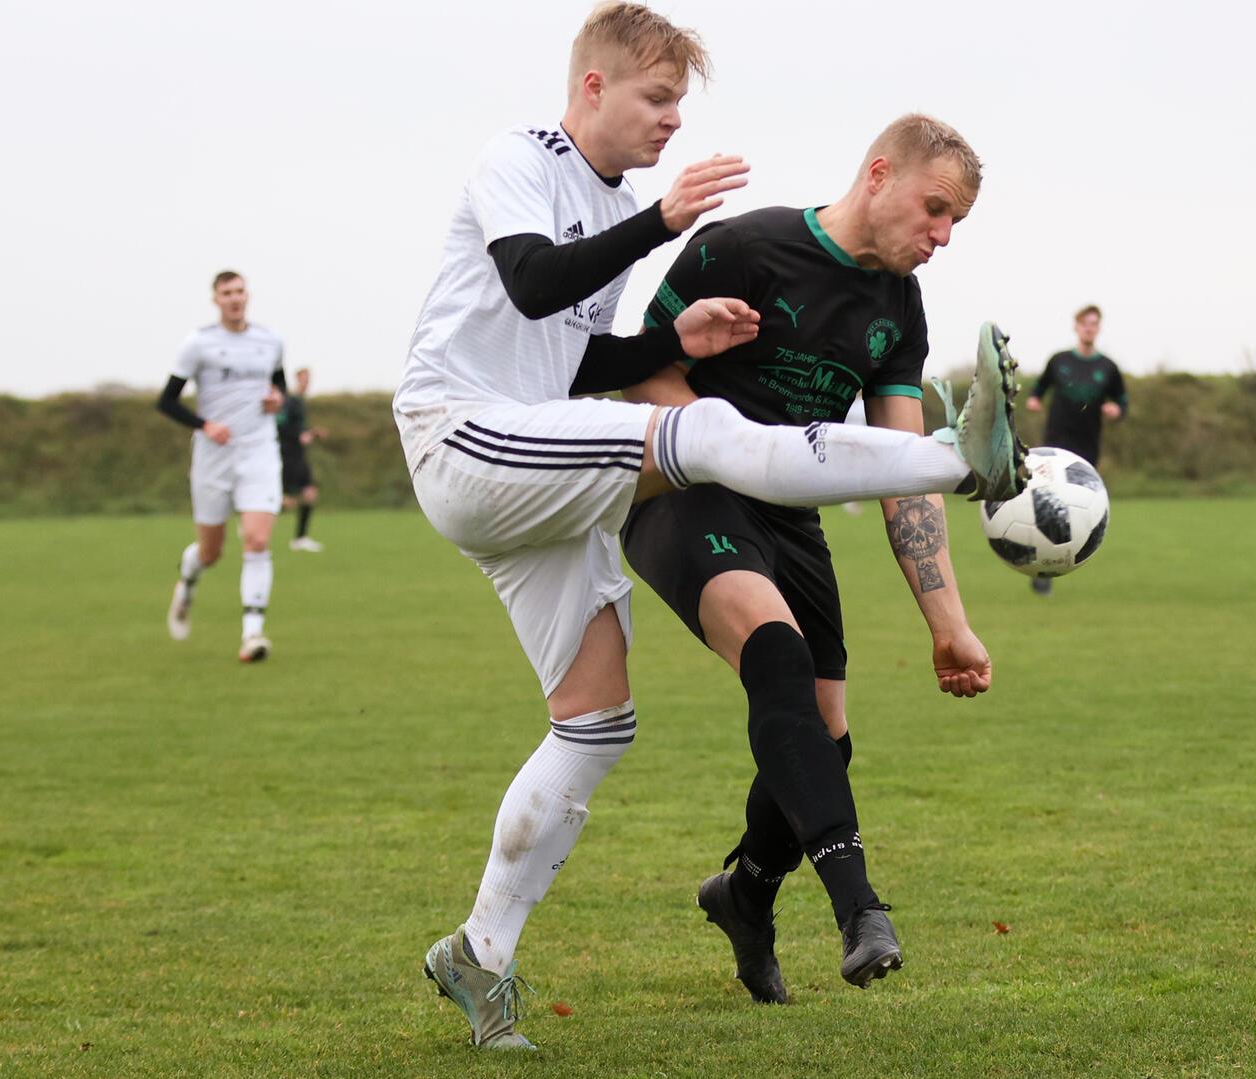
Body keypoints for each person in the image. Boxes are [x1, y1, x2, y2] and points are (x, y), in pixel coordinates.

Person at [396, 5, 1023, 1051]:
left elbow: (569, 357)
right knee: (706, 433)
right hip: (462, 432)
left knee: (597, 720)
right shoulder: (522, 158)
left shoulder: (623, 200)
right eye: (658, 99)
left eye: (681, 104)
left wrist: (666, 333)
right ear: (593, 87)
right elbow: (529, 280)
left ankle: (478, 951)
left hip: (528, 446)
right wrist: (663, 226)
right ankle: (967, 458)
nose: (673, 123)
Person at [618, 114, 993, 1004]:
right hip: (688, 490)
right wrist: (724, 446)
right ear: (878, 175)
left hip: (793, 517)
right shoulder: (743, 247)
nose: (940, 237)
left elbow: (905, 472)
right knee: (776, 657)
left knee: (829, 737)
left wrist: (951, 625)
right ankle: (860, 908)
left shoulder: (899, 307)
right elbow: (642, 372)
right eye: (934, 210)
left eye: (956, 226)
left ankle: (744, 892)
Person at [157, 270, 286, 662]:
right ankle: (188, 581)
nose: (235, 298)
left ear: (248, 296)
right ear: (216, 299)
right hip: (214, 457)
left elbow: (279, 389)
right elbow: (166, 402)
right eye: (227, 293)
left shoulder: (270, 341)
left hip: (259, 450)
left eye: (240, 291)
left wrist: (276, 401)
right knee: (211, 552)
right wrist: (204, 424)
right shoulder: (199, 344)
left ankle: (252, 635)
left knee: (258, 540)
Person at [1024, 304, 1126, 593]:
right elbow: (1039, 387)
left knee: (1080, 507)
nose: (1089, 328)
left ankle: (1070, 556)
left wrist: (1117, 409)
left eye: (1094, 324)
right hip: (1055, 447)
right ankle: (1042, 568)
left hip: (1087, 448)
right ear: (1076, 326)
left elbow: (1122, 399)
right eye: (1085, 323)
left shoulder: (1107, 367)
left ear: (1099, 327)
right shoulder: (1059, 361)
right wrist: (1034, 400)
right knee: (1049, 504)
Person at [278, 367, 327, 552]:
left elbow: (300, 429)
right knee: (287, 500)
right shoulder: (290, 401)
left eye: (308, 379)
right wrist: (298, 436)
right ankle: (250, 513)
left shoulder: (300, 402)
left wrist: (312, 433)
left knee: (310, 493)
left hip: (299, 455)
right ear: (296, 379)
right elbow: (280, 425)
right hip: (288, 455)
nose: (306, 382)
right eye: (303, 379)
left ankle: (300, 539)